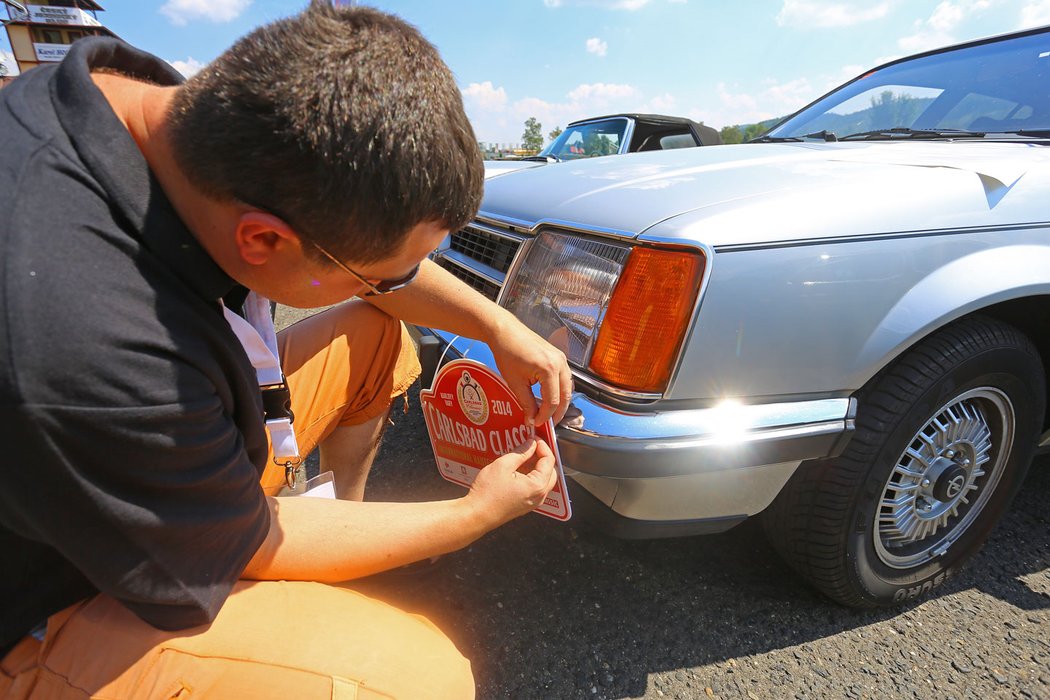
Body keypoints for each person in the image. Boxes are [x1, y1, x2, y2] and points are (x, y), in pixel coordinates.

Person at [0, 2, 572, 698]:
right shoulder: (82, 337)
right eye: (381, 275)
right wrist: (472, 515)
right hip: (55, 589)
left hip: (164, 448)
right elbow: (244, 540)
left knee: (374, 336)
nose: (397, 285)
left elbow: (379, 264)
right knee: (410, 679)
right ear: (263, 240)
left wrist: (500, 328)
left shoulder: (163, 114)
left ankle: (341, 527)